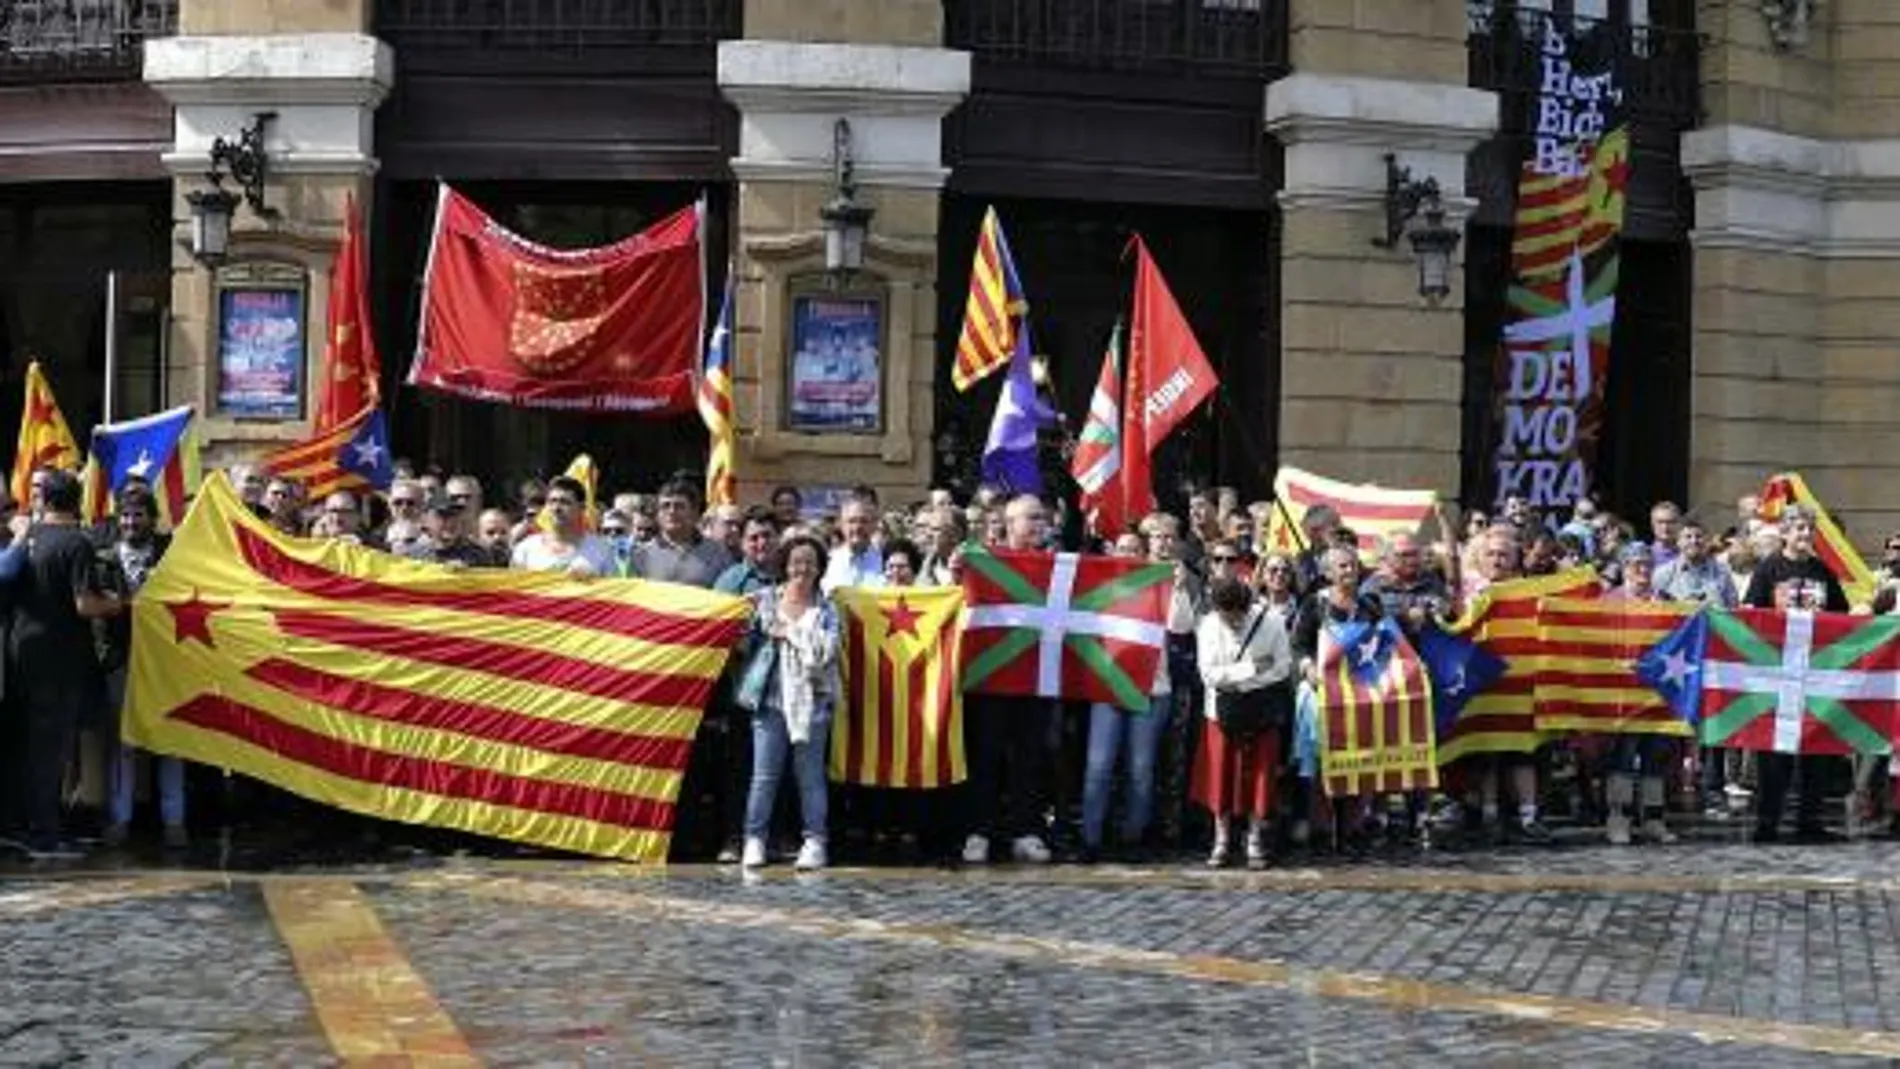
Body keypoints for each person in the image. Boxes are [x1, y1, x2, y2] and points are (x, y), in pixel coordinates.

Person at [6, 470, 122, 857]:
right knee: (52, 750)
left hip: (21, 655)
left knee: (29, 746)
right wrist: (119, 602)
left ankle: (24, 826)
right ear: (78, 500)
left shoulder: (27, 540)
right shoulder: (76, 543)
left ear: (45, 500)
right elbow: (85, 604)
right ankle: (44, 835)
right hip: (59, 661)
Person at [1744, 504, 1849, 843]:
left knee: (1816, 747)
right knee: (1774, 751)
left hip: (1814, 674)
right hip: (1777, 674)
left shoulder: (1822, 571)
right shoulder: (1768, 569)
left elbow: (1841, 616)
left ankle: (1810, 821)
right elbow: (1751, 613)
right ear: (1786, 532)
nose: (1805, 535)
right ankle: (1767, 822)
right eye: (1800, 529)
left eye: (1809, 529)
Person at [962, 495, 1058, 865]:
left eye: (1041, 518)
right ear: (1009, 523)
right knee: (985, 757)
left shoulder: (1057, 566)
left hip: (1037, 677)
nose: (1037, 524)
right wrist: (958, 570)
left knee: (1029, 758)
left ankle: (1025, 831)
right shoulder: (985, 562)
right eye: (1029, 518)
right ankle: (978, 831)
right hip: (992, 676)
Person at [740, 533, 840, 870]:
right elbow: (746, 637)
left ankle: (815, 841)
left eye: (810, 562)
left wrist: (791, 634)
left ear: (820, 568)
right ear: (785, 564)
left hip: (814, 703)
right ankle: (754, 839)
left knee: (810, 776)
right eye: (797, 561)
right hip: (769, 700)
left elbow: (826, 653)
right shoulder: (765, 600)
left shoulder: (827, 609)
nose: (803, 568)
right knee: (764, 776)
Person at [97, 492, 186, 849]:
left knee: (171, 742)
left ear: (153, 517)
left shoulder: (172, 556)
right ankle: (119, 820)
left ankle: (175, 821)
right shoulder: (104, 559)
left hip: (167, 664)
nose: (131, 522)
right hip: (122, 661)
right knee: (123, 744)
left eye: (138, 515)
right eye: (126, 516)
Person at [1079, 531, 1173, 862]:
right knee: (1098, 765)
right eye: (1121, 548)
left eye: (1135, 549)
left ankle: (1133, 838)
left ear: (1146, 553)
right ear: (1111, 552)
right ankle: (1090, 839)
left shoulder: (1161, 585)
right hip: (1108, 687)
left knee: (1141, 768)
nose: (1128, 554)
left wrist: (1174, 583)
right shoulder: (1099, 589)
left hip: (1151, 689)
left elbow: (1183, 626)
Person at [1193, 576, 1293, 868]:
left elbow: (1282, 667)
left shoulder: (1271, 622)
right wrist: (1250, 669)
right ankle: (1221, 839)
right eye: (1228, 618)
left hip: (1261, 710)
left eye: (1238, 617)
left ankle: (1254, 840)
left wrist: (1241, 681)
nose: (1234, 624)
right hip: (1222, 713)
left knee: (1260, 777)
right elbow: (1210, 675)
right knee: (1221, 777)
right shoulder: (1210, 625)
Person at [630, 479, 731, 588]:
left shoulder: (718, 554)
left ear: (694, 512)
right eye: (665, 506)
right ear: (657, 514)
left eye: (679, 506)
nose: (671, 511)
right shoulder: (641, 555)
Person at [510, 476, 614, 577]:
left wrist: (594, 581)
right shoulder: (526, 549)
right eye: (552, 501)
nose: (556, 508)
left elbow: (613, 592)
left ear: (581, 508)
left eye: (565, 502)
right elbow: (511, 591)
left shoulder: (601, 550)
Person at [1655, 516, 1736, 607]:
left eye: (1699, 536)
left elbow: (1733, 610)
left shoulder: (1722, 572)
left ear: (1706, 540)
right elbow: (1658, 613)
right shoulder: (1663, 574)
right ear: (1678, 541)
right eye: (1688, 537)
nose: (1694, 541)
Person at [822, 497, 884, 593]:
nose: (857, 527)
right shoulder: (827, 562)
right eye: (851, 521)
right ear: (841, 525)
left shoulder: (885, 562)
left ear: (874, 525)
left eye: (864, 521)